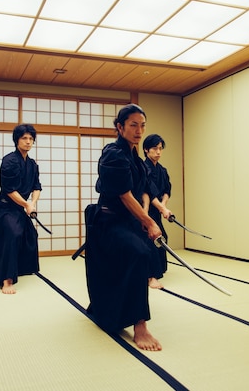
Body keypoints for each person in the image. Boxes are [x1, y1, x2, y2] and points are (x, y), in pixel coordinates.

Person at [84, 104, 170, 352]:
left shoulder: (137, 159)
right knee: (139, 253)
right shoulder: (113, 154)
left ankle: (110, 309)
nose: (139, 130)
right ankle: (140, 325)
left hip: (129, 220)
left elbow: (143, 192)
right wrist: (148, 221)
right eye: (133, 125)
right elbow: (123, 195)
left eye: (142, 125)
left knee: (145, 254)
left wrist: (146, 217)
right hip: (109, 222)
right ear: (120, 127)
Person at [0, 124, 42, 294]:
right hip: (4, 207)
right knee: (13, 234)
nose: (28, 142)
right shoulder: (9, 161)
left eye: (31, 139)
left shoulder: (32, 164)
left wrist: (32, 203)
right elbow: (9, 190)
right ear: (17, 140)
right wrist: (26, 204)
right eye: (24, 138)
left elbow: (37, 186)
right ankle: (7, 280)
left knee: (30, 234)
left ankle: (21, 268)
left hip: (20, 207)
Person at [143, 134, 172, 289]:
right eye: (155, 148)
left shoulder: (162, 170)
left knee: (163, 237)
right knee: (152, 239)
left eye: (160, 148)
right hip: (144, 210)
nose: (158, 152)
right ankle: (151, 277)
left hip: (157, 210)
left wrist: (163, 206)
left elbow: (166, 190)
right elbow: (149, 191)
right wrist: (162, 208)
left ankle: (159, 270)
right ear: (146, 149)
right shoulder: (143, 168)